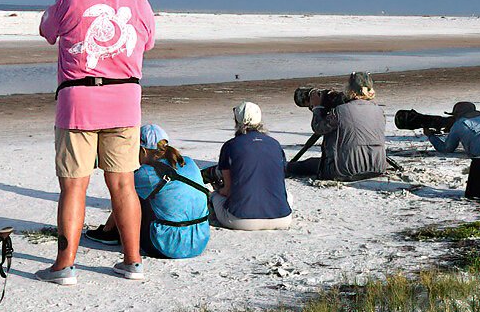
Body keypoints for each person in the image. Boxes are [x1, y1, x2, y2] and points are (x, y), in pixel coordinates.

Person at [35, 0, 157, 285]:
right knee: (124, 185)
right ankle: (132, 261)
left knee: (74, 188)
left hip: (79, 100)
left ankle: (64, 266)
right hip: (125, 100)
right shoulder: (141, 4)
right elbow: (146, 44)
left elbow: (46, 31)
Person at [84, 124, 211, 259]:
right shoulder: (188, 162)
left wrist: (108, 228)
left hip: (165, 245)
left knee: (129, 196)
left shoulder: (146, 173)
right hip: (199, 239)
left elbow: (123, 200)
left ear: (143, 151)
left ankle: (110, 232)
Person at [209, 102, 293, 230]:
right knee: (288, 195)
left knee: (215, 196)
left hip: (242, 220)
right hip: (282, 218)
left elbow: (228, 190)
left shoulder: (230, 146)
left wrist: (218, 191)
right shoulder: (275, 144)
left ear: (237, 121)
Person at [288, 72, 387, 181]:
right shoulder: (379, 110)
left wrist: (317, 107)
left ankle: (284, 167)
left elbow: (319, 128)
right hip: (377, 167)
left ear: (350, 89)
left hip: (343, 171)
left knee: (305, 165)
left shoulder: (340, 111)